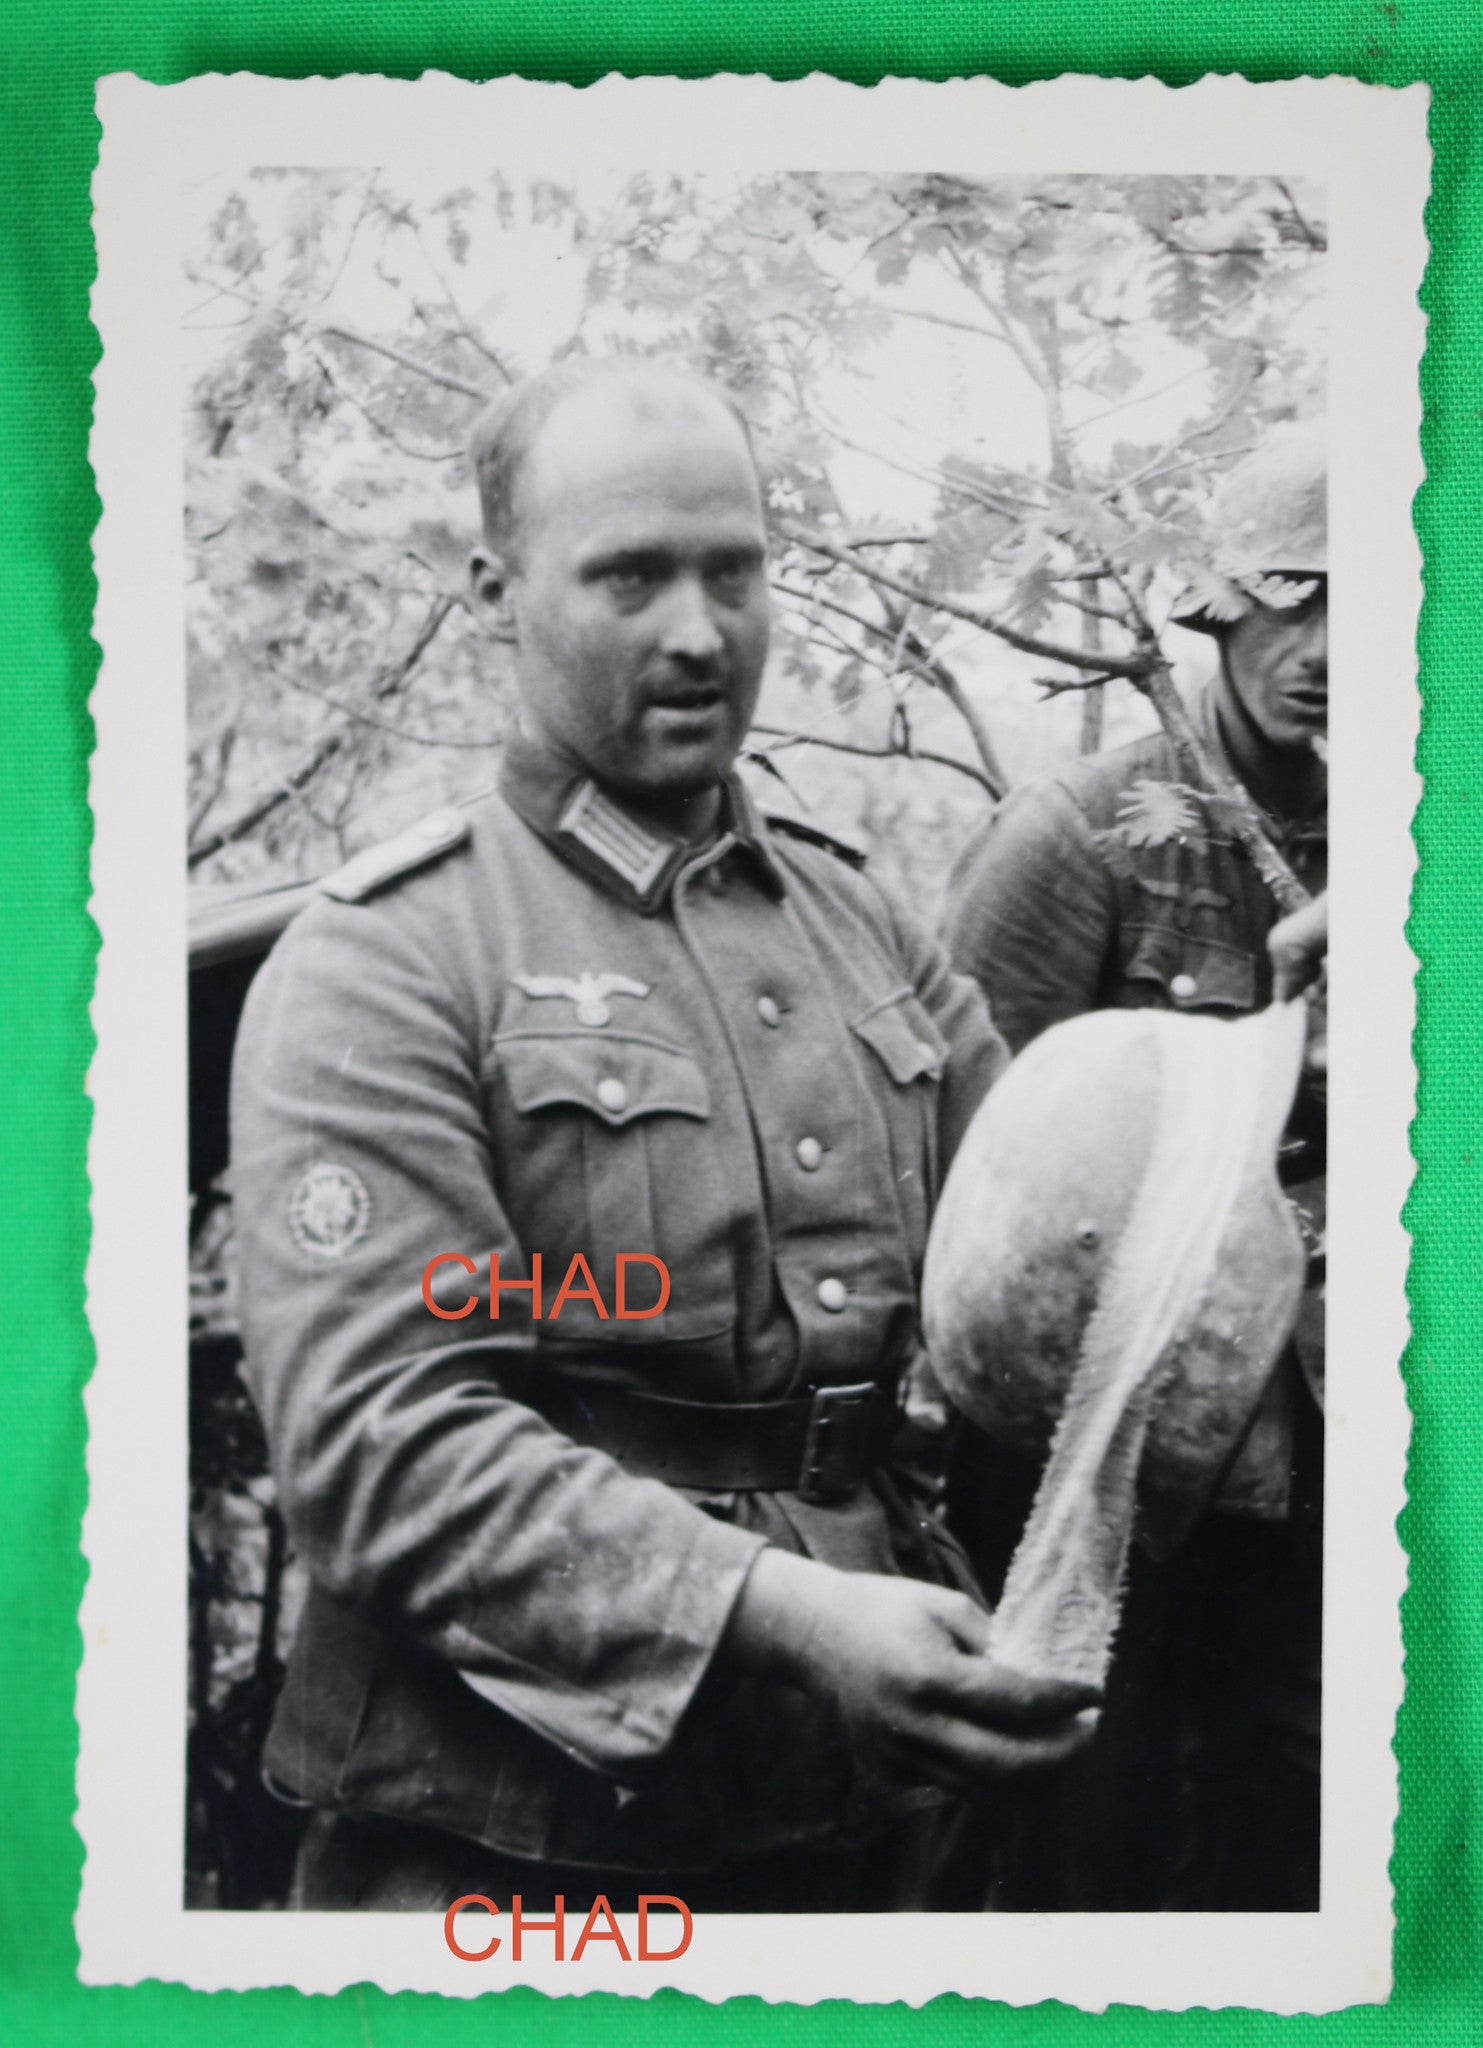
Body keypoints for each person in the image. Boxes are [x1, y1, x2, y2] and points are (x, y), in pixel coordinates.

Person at [228, 357, 1091, 1916]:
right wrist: (784, 1612)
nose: (700, 633)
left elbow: (1055, 1251)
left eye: (735, 571)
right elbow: (381, 1444)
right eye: (628, 575)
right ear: (496, 595)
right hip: (511, 1845)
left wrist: (1278, 1063)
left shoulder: (858, 917)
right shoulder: (388, 959)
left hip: (867, 1812)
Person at [941, 422, 1328, 1912]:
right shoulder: (1083, 837)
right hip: (1088, 1468)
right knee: (1073, 1847)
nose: (1325, 647)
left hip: (1311, 1469)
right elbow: (966, 1182)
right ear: (1225, 602)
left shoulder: (1424, 841)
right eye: (1294, 593)